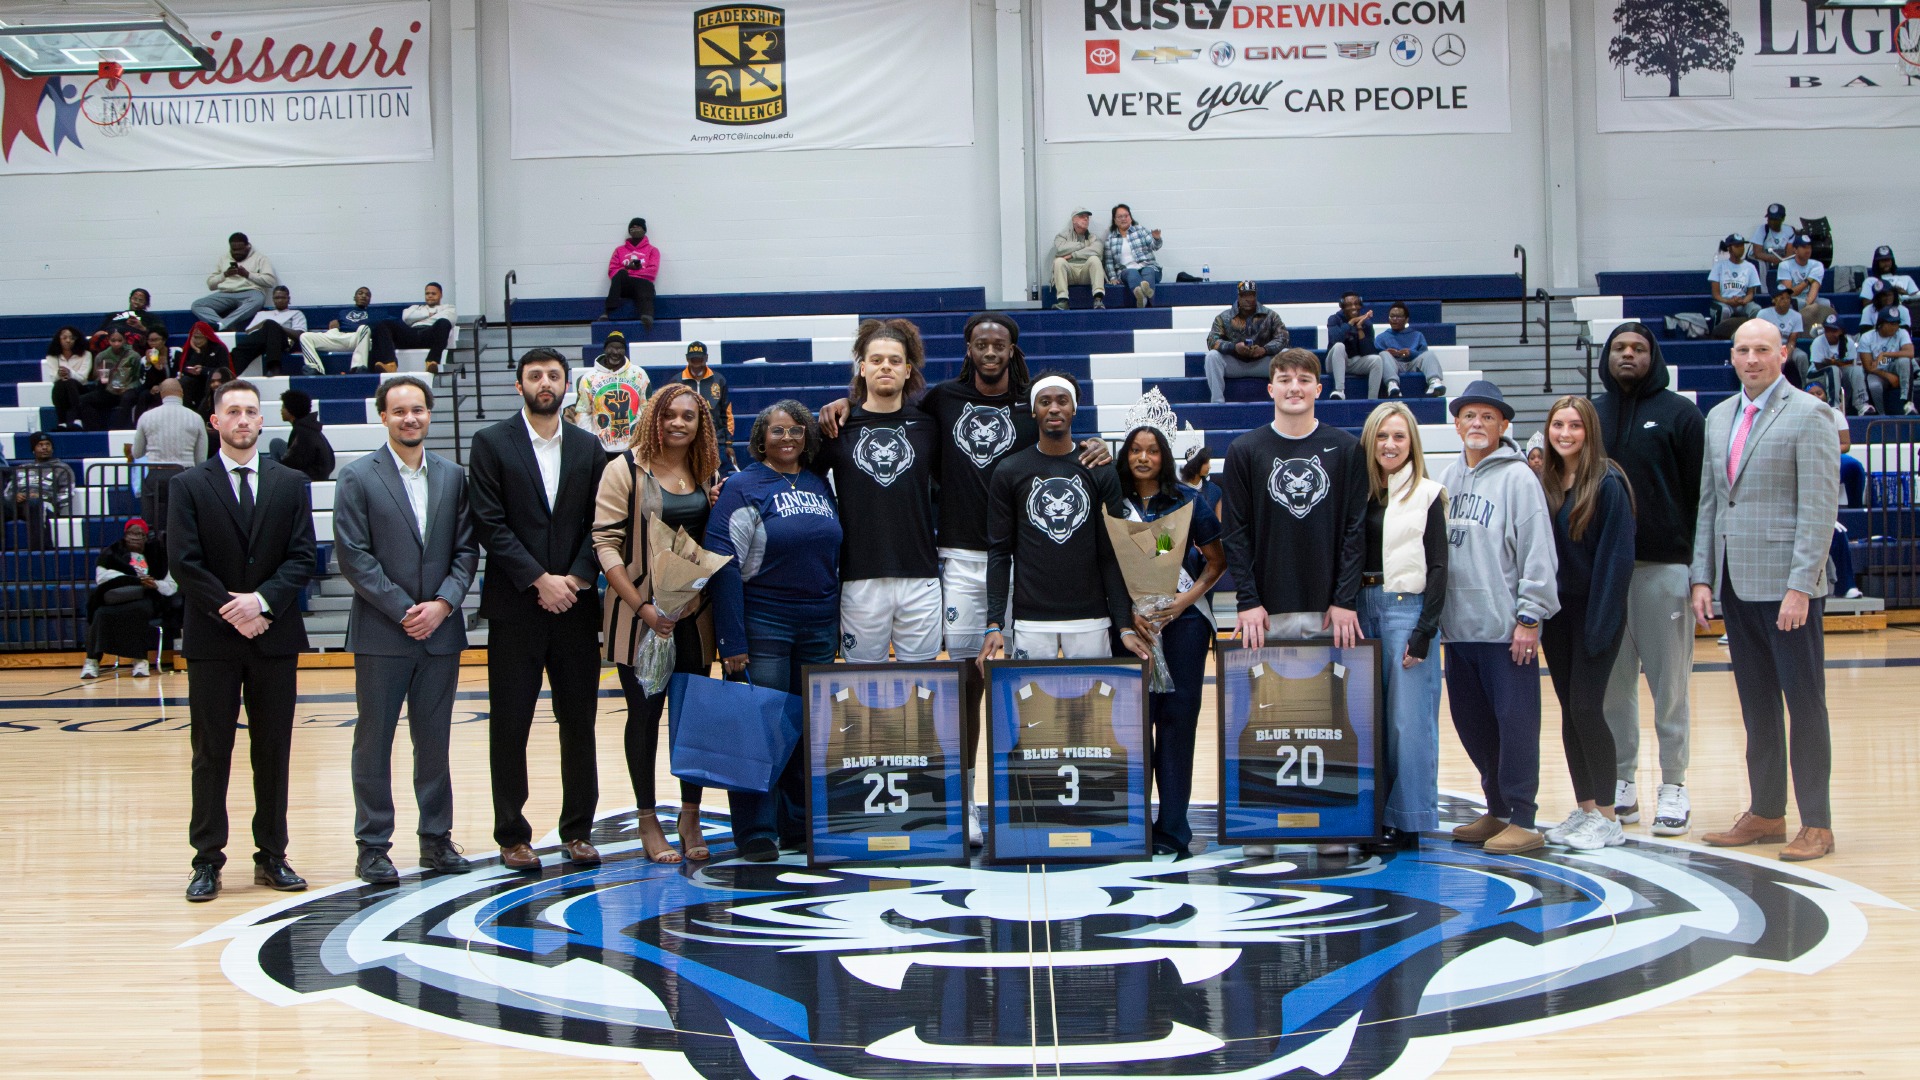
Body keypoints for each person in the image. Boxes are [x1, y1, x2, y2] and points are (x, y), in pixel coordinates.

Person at [819, 312, 1111, 845]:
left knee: (1026, 685)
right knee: (966, 684)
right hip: (957, 562)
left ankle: (1029, 794)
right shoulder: (939, 403)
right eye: (982, 344)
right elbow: (879, 408)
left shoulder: (1031, 403)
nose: (991, 352)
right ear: (969, 349)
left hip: (1025, 561)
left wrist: (1094, 445)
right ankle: (966, 800)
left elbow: (1060, 428)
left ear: (1012, 350)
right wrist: (842, 402)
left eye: (1000, 344)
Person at [1692, 320, 1841, 862]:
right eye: (1742, 349)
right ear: (1731, 356)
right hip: (1736, 581)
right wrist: (1703, 575)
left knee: (1804, 704)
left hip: (1787, 588)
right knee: (1756, 706)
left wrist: (1802, 585)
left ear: (1783, 353)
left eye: (1762, 349)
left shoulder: (1810, 414)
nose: (1751, 358)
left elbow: (1820, 509)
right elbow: (1712, 502)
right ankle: (1767, 811)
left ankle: (1817, 823)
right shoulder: (1719, 417)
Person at [168, 378, 317, 902]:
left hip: (274, 635)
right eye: (232, 411)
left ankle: (272, 855)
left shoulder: (289, 481)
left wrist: (262, 603)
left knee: (273, 748)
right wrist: (235, 610)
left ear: (262, 419)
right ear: (215, 421)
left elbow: (302, 557)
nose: (242, 420)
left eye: (251, 411)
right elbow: (184, 563)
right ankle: (207, 859)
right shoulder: (188, 485)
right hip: (214, 637)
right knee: (212, 750)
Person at [332, 376, 479, 884]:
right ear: (384, 417)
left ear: (429, 414)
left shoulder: (453, 476)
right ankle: (372, 846)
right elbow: (353, 556)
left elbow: (466, 550)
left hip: (440, 632)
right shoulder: (356, 477)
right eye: (399, 411)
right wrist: (404, 609)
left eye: (417, 409)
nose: (410, 418)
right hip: (382, 633)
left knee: (434, 741)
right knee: (374, 741)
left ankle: (436, 840)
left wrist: (442, 604)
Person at [471, 348, 611, 871]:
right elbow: (489, 522)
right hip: (516, 608)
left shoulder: (588, 446)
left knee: (579, 722)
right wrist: (538, 580)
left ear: (568, 385)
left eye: (553, 375)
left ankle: (577, 831)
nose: (544, 383)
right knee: (510, 724)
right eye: (535, 376)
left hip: (575, 607)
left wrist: (574, 578)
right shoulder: (491, 443)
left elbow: (600, 522)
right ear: (519, 385)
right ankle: (513, 835)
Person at [705, 401, 843, 861]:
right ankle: (755, 829)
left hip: (819, 622)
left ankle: (798, 823)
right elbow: (721, 562)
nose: (788, 438)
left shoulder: (818, 483)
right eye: (778, 430)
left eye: (797, 430)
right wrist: (732, 639)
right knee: (759, 727)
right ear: (761, 437)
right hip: (764, 620)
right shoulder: (743, 486)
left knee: (806, 730)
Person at [594, 382, 723, 864]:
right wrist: (642, 607)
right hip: (641, 618)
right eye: (669, 414)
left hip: (693, 617)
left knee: (694, 719)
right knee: (645, 719)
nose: (678, 423)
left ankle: (690, 815)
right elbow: (605, 544)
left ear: (700, 423)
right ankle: (648, 819)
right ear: (653, 417)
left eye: (688, 416)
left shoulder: (706, 469)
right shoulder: (623, 469)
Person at [1592, 323, 1705, 835]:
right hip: (1606, 575)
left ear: (1652, 356)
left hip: (1665, 571)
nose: (1628, 355)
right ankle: (1621, 784)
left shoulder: (1681, 414)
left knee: (1670, 688)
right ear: (1606, 357)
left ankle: (1675, 784)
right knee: (1613, 691)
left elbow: (1702, 498)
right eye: (1619, 348)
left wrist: (1697, 573)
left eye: (1638, 348)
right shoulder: (1591, 415)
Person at [1439, 380, 1560, 856]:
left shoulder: (1518, 479)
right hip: (1459, 629)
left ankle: (1524, 817)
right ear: (1456, 423)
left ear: (1504, 425)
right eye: (1469, 415)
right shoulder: (1448, 478)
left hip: (1506, 630)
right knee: (1473, 726)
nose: (1477, 424)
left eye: (1488, 417)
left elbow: (1537, 554)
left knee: (1515, 725)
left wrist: (1530, 618)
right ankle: (1496, 809)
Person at [1113, 414, 1226, 854]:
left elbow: (1216, 562)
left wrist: (1181, 602)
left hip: (1184, 626)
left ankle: (1174, 827)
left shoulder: (1187, 501)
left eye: (1152, 450)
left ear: (1165, 457)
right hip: (1132, 629)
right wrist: (1126, 615)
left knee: (1177, 723)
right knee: (1134, 726)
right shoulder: (1113, 502)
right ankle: (1133, 824)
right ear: (1126, 456)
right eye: (1136, 449)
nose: (1144, 457)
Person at [980, 374, 1149, 665]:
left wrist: (1122, 624)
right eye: (1045, 402)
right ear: (1034, 411)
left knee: (1092, 709)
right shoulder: (1009, 470)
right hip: (1031, 618)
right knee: (1033, 709)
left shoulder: (1099, 468)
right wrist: (994, 622)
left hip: (1091, 617)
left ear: (1074, 408)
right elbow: (999, 552)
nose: (1054, 408)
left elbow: (1112, 552)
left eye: (1062, 401)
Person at [810, 320, 944, 666]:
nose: (886, 366)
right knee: (863, 684)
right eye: (877, 359)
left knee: (922, 685)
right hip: (859, 577)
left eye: (895, 360)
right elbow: (795, 478)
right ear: (863, 367)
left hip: (921, 577)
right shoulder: (836, 427)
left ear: (907, 369)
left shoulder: (929, 425)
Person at [1536, 396, 1637, 851]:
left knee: (1586, 709)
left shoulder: (1609, 482)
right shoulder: (1548, 479)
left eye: (1575, 425)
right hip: (1559, 616)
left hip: (1598, 612)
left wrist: (1601, 624)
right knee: (1570, 713)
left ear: (1589, 431)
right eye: (1558, 425)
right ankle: (1587, 808)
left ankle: (1611, 817)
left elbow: (1617, 562)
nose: (1565, 433)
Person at [1220, 348, 1368, 652]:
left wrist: (1344, 599)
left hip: (1331, 612)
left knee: (1331, 699)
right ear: (1271, 389)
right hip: (1264, 614)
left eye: (1304, 379)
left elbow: (1355, 531)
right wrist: (1247, 600)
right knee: (1267, 700)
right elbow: (1235, 533)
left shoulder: (1347, 448)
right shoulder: (1244, 450)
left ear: (1318, 389)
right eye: (1285, 380)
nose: (1294, 387)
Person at [1357, 401, 1447, 844]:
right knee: (1366, 718)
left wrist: (1425, 628)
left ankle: (1409, 818)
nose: (1390, 444)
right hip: (1358, 606)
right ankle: (1369, 815)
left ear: (1412, 442)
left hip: (1405, 607)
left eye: (1399, 436)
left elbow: (1440, 567)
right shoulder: (1358, 494)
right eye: (1382, 435)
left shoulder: (1428, 493)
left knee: (1407, 721)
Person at [81, 517, 176, 679]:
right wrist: (134, 580)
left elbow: (171, 586)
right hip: (115, 597)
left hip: (146, 597)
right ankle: (92, 661)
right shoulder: (112, 552)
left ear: (146, 537)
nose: (135, 537)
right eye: (131, 533)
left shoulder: (159, 554)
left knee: (139, 610)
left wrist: (154, 584)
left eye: (140, 534)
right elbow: (103, 578)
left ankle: (140, 660)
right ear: (125, 535)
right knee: (99, 614)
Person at [1804, 382, 1866, 597]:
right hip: (1806, 469)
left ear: (1825, 395)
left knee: (1853, 466)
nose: (1815, 396)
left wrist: (1826, 450)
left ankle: (1846, 585)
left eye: (1818, 392)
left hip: (1829, 458)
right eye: (1810, 393)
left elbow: (1845, 443)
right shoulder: (1796, 414)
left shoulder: (1834, 414)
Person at [133, 378, 207, 530]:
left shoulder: (146, 417)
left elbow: (137, 452)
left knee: (153, 525)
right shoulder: (196, 418)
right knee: (184, 526)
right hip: (186, 475)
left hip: (156, 475)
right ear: (181, 393)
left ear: (161, 394)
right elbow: (201, 460)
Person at [1203, 282, 1290, 403]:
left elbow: (1283, 338)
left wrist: (1264, 350)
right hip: (1235, 363)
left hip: (1262, 362)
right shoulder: (1224, 317)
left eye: (1252, 295)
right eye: (1245, 296)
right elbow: (1212, 341)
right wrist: (1234, 348)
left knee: (1286, 354)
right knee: (1212, 356)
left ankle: (1284, 399)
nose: (1249, 299)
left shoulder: (1270, 316)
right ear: (1238, 297)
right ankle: (1217, 402)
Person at [573, 329, 651, 455]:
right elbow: (583, 413)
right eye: (611, 347)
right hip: (601, 450)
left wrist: (641, 439)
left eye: (620, 348)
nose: (615, 352)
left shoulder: (639, 375)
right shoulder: (588, 378)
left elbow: (647, 409)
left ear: (625, 351)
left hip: (633, 448)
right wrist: (592, 442)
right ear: (605, 349)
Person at [191, 232, 278, 331]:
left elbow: (270, 282)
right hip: (226, 293)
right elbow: (211, 285)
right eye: (234, 250)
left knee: (259, 299)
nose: (236, 252)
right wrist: (225, 275)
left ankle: (222, 325)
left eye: (240, 249)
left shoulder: (260, 258)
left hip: (250, 292)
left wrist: (247, 274)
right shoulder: (223, 258)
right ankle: (223, 326)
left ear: (247, 247)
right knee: (197, 305)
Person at [4, 432, 73, 550]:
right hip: (19, 503)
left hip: (42, 503)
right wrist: (15, 495)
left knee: (35, 503)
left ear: (52, 448)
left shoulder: (62, 468)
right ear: (33, 449)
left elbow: (67, 493)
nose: (45, 447)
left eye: (48, 444)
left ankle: (38, 551)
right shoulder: (21, 468)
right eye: (40, 445)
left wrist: (46, 499)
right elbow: (8, 492)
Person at [369, 283, 457, 374]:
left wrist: (418, 317)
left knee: (444, 322)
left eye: (433, 294)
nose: (430, 296)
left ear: (441, 295)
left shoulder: (448, 308)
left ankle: (431, 362)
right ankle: (390, 364)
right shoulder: (416, 307)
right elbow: (406, 318)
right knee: (384, 324)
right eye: (427, 293)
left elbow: (449, 319)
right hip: (411, 333)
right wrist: (428, 314)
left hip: (430, 334)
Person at [676, 341, 737, 471]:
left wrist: (728, 443)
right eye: (693, 358)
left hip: (716, 441)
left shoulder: (719, 380)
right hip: (687, 441)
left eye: (700, 358)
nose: (697, 362)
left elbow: (726, 414)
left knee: (719, 480)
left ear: (706, 358)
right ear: (687, 358)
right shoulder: (677, 381)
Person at [1373, 301, 1449, 399]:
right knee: (1383, 354)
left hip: (1413, 363)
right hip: (1393, 364)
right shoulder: (1381, 337)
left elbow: (1423, 354)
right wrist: (1391, 353)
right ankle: (1392, 385)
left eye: (1398, 317)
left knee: (1429, 354)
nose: (1394, 319)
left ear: (1406, 319)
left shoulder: (1417, 335)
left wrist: (1410, 353)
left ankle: (1434, 382)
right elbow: (1377, 356)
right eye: (1392, 316)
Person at [229, 286, 308, 377]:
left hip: (285, 341)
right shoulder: (262, 314)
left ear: (288, 299)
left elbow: (300, 334)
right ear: (273, 299)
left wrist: (277, 327)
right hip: (262, 339)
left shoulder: (296, 313)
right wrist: (268, 326)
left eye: (283, 297)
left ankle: (274, 367)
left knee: (270, 324)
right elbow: (249, 331)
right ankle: (232, 370)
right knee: (244, 346)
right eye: (277, 298)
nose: (279, 300)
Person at [298, 285, 376, 374]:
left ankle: (358, 368)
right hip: (339, 336)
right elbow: (334, 325)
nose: (363, 296)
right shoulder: (343, 312)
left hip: (357, 338)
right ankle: (315, 369)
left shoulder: (374, 314)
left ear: (369, 299)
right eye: (360, 293)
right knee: (305, 336)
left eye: (367, 295)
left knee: (364, 328)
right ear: (354, 297)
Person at [1855, 306, 1915, 416]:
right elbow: (1869, 367)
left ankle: (1907, 403)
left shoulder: (1901, 333)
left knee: (1904, 361)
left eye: (1897, 323)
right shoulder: (1867, 337)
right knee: (1874, 385)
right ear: (1881, 323)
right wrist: (1887, 376)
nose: (1895, 327)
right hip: (1877, 373)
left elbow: (1910, 353)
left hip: (1894, 367)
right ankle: (1881, 414)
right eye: (1891, 324)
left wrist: (1886, 354)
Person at [78, 328, 143, 430]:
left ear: (125, 340)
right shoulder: (101, 356)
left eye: (119, 340)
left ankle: (119, 430)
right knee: (84, 400)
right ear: (108, 340)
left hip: (128, 391)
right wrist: (103, 381)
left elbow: (139, 378)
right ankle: (94, 430)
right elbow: (96, 378)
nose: (116, 344)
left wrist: (128, 387)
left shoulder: (134, 356)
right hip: (109, 391)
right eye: (113, 341)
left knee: (127, 398)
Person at [604, 217, 660, 329]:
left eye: (638, 227)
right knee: (619, 274)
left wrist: (635, 270)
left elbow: (652, 272)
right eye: (632, 227)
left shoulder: (652, 250)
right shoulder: (619, 250)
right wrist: (627, 268)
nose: (635, 229)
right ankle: (607, 312)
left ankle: (647, 315)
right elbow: (612, 271)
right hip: (625, 285)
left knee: (645, 284)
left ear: (644, 230)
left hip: (643, 285)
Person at [1103, 203, 1163, 308]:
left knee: (1147, 271)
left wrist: (1157, 238)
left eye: (1126, 215)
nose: (1123, 219)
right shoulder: (1110, 239)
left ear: (1130, 217)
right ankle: (1147, 299)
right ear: (1115, 220)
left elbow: (1155, 246)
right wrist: (1112, 277)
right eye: (1120, 217)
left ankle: (1143, 298)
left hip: (1148, 266)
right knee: (1132, 273)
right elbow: (1108, 262)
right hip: (1126, 270)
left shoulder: (1140, 230)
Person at [268, 389, 335, 482]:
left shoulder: (302, 432)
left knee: (275, 446)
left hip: (311, 477)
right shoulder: (308, 426)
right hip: (314, 472)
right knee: (277, 443)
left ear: (291, 410)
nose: (281, 410)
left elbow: (296, 462)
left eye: (283, 407)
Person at [1324, 292, 1380, 401]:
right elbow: (1335, 339)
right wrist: (1350, 323)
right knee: (1339, 346)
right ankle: (1339, 391)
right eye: (1349, 304)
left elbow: (1368, 352)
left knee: (1377, 359)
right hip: (1334, 362)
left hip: (1354, 362)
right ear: (1342, 306)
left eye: (1356, 304)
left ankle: (1373, 400)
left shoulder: (1366, 324)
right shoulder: (1334, 319)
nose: (1353, 307)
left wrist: (1359, 328)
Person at [1049, 208, 1107, 309]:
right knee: (1059, 261)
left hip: (1086, 272)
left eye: (1087, 218)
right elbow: (1061, 249)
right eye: (1082, 217)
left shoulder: (1094, 237)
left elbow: (1097, 251)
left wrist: (1072, 255)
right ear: (1073, 220)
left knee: (1095, 259)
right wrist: (1084, 245)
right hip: (1069, 272)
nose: (1085, 219)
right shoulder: (1062, 236)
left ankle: (1098, 299)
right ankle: (1063, 301)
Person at [1709, 235, 1764, 337]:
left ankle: (1752, 337)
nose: (1741, 248)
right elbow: (1715, 294)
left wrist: (1744, 301)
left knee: (1757, 309)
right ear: (1729, 248)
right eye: (1737, 246)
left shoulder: (1750, 267)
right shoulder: (1719, 266)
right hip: (1724, 302)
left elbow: (1751, 293)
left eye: (1742, 245)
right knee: (1723, 310)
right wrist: (1728, 301)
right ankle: (1717, 339)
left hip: (1742, 302)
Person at [1775, 233, 1833, 330]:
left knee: (1828, 305)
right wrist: (1808, 280)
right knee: (1789, 304)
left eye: (1809, 247)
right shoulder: (1785, 265)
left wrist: (1808, 307)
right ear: (1795, 249)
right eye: (1804, 247)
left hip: (1810, 300)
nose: (1808, 250)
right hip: (1792, 299)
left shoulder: (1817, 265)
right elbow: (1790, 293)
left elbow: (1814, 290)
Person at [1753, 287, 1809, 381]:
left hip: (1787, 347)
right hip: (1768, 347)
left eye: (1788, 298)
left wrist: (1785, 355)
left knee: (1801, 356)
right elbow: (1759, 337)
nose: (1786, 301)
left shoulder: (1796, 316)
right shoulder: (1763, 314)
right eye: (1782, 298)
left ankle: (1806, 385)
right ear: (1774, 300)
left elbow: (1792, 341)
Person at [176, 321, 232, 412]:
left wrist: (204, 370)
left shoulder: (219, 348)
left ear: (207, 336)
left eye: (200, 338)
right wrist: (197, 352)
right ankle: (186, 411)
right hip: (196, 382)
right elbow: (184, 368)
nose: (197, 341)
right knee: (184, 382)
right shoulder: (190, 349)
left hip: (213, 380)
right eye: (195, 338)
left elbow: (224, 370)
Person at [44, 326, 91, 431]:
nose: (68, 341)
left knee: (69, 382)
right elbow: (53, 378)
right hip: (62, 389)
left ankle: (78, 419)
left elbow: (83, 378)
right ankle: (62, 422)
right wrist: (59, 374)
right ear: (59, 339)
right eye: (64, 338)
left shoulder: (86, 354)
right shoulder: (52, 356)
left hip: (81, 389)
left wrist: (69, 373)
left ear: (77, 339)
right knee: (59, 384)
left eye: (71, 338)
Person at [1807, 314, 1857, 413]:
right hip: (1816, 374)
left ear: (1841, 331)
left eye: (1834, 330)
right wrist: (1833, 364)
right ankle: (1834, 405)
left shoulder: (1848, 342)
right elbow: (1818, 365)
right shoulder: (1818, 341)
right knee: (1833, 369)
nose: (1830, 333)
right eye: (1827, 330)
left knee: (1857, 370)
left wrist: (1835, 363)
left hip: (1839, 372)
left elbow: (1851, 363)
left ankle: (1861, 404)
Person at [1860, 244, 1916, 321]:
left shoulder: (1906, 278)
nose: (1886, 263)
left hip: (1907, 314)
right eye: (1883, 261)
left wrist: (1905, 293)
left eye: (1888, 260)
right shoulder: (1870, 281)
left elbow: (1917, 301)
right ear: (1877, 263)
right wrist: (1887, 294)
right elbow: (1866, 306)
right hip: (1881, 317)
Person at [99, 287, 167, 340]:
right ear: (130, 299)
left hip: (132, 340)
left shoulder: (150, 317)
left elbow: (162, 334)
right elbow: (100, 331)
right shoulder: (114, 315)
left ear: (146, 303)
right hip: (111, 338)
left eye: (140, 300)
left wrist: (142, 328)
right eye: (134, 299)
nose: (136, 302)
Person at [1751, 203, 1792, 268]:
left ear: (1783, 218)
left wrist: (1782, 261)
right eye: (1770, 218)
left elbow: (1790, 254)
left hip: (1783, 262)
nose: (1772, 222)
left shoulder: (1789, 230)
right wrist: (1772, 258)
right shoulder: (1762, 229)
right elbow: (1757, 253)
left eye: (1775, 219)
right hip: (1765, 262)